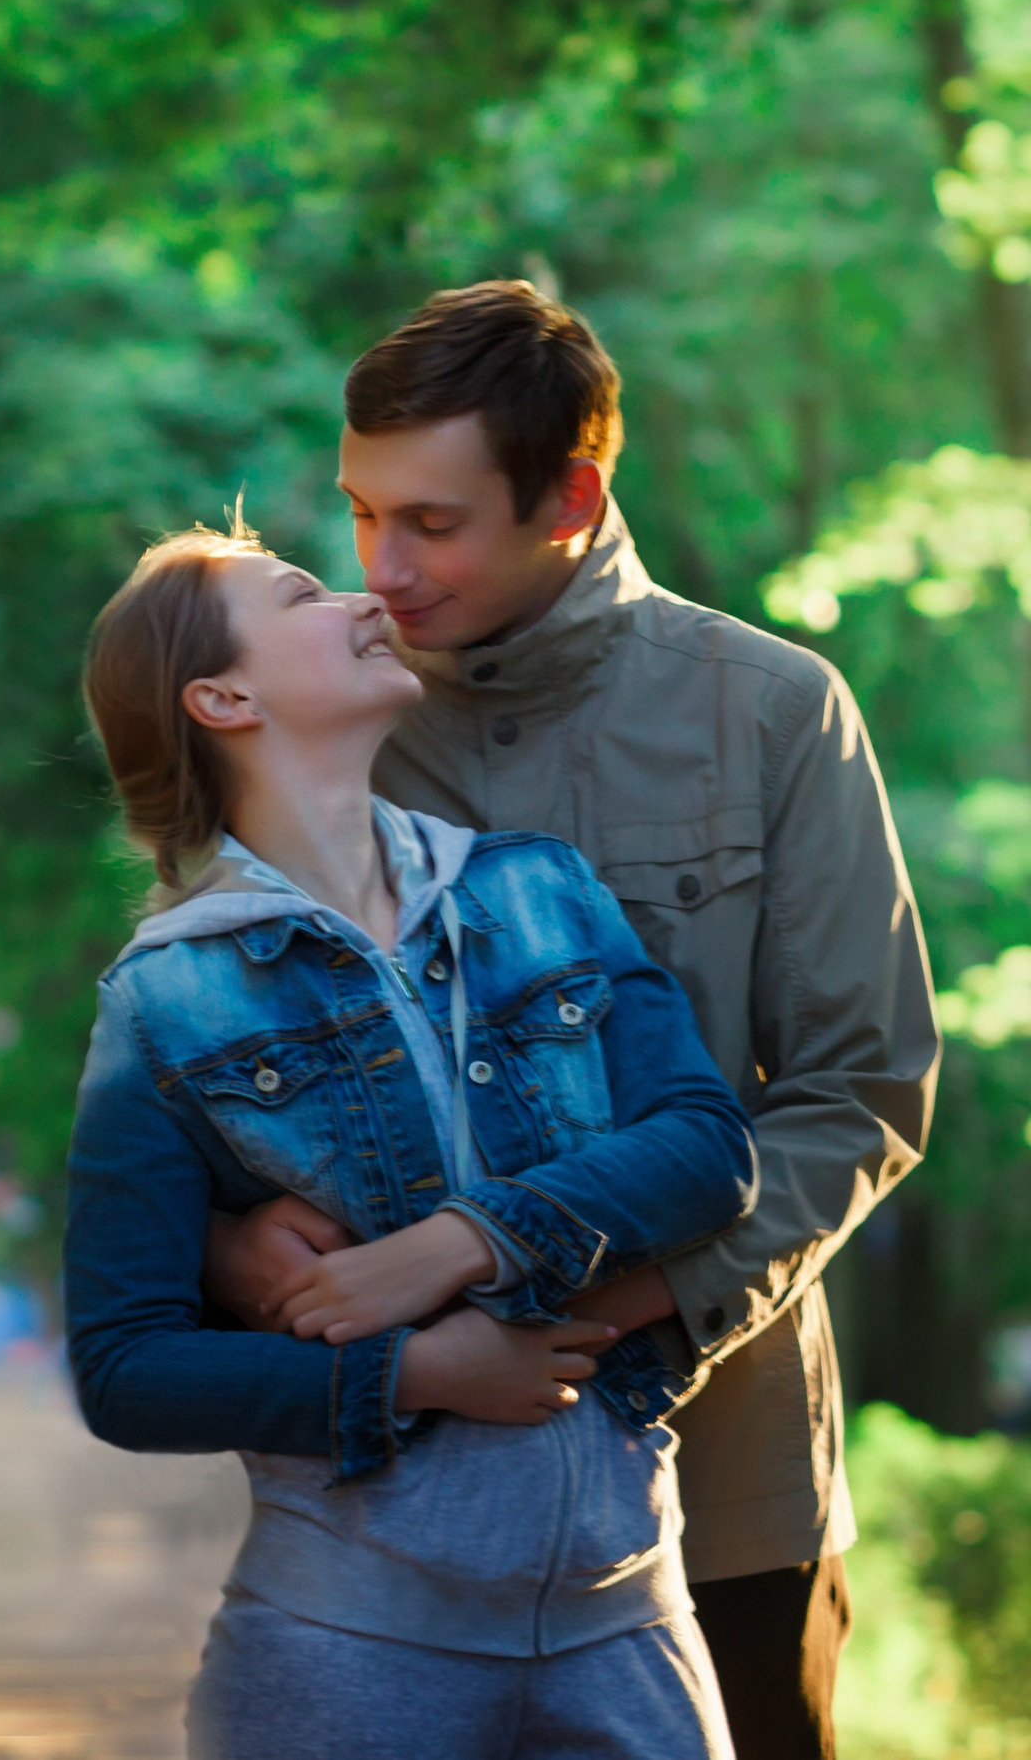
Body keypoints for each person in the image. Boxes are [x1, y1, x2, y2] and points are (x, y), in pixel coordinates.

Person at [200, 281, 941, 1759]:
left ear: (572, 497)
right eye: (361, 512)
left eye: (434, 522)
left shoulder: (774, 713)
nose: (381, 570)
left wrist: (604, 1309)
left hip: (720, 1494)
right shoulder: (313, 718)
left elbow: (860, 1092)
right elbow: (206, 1083)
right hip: (387, 1504)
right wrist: (236, 1243)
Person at [64, 523, 764, 1759]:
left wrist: (461, 1244)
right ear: (223, 699)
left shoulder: (539, 889)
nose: (362, 599)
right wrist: (416, 1374)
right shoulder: (163, 1000)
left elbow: (709, 1147)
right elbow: (128, 1367)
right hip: (345, 1649)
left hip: (625, 1624)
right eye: (302, 595)